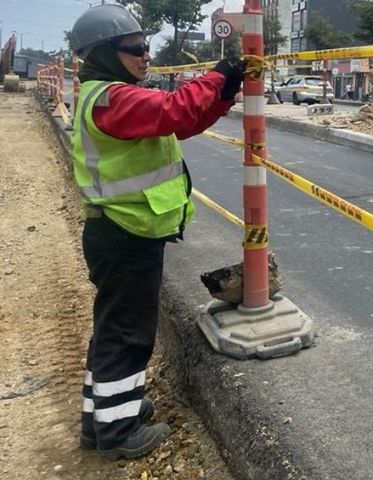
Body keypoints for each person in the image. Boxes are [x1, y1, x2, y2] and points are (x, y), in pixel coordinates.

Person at [70, 4, 245, 460]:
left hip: (125, 232)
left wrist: (222, 91)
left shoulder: (116, 94)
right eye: (136, 49)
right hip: (125, 234)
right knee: (127, 333)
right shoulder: (111, 97)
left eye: (147, 48)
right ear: (106, 53)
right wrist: (215, 73)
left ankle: (103, 416)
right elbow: (173, 107)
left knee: (114, 328)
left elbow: (182, 122)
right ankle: (118, 433)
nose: (146, 56)